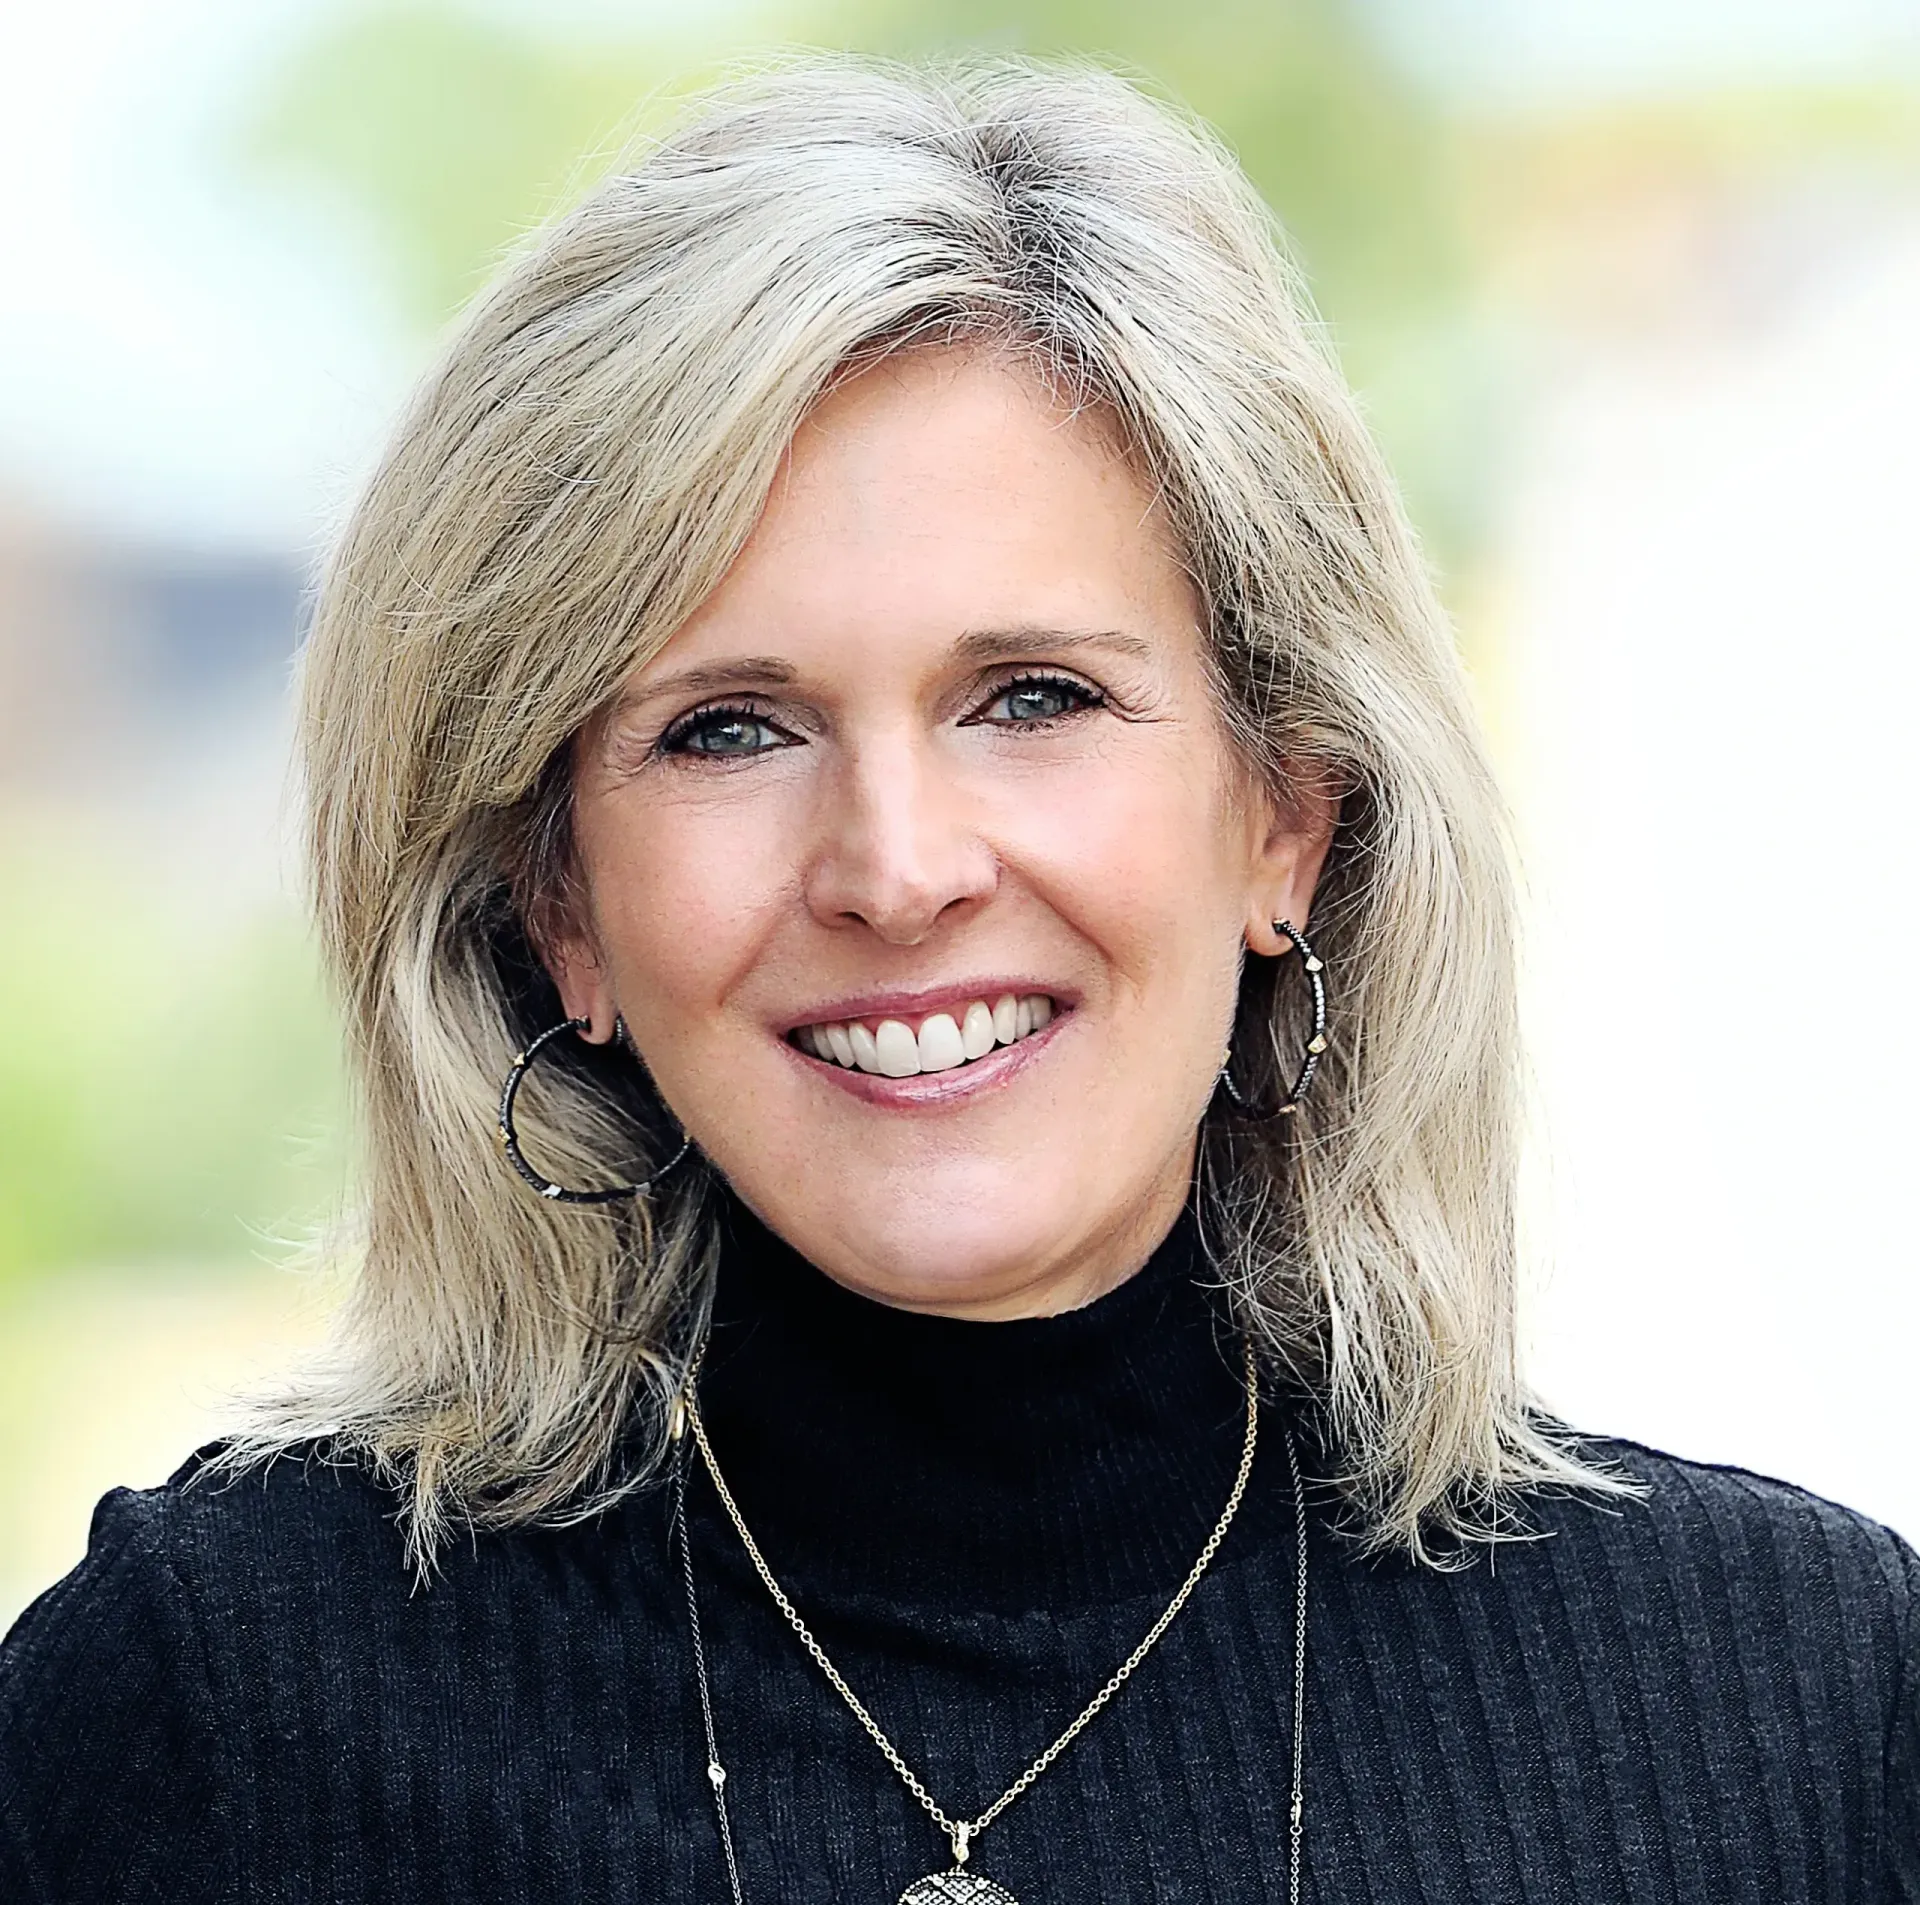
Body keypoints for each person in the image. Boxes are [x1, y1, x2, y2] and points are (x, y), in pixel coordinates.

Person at [2, 54, 1914, 1905]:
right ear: (557, 904)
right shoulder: (210, 1713)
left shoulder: (1796, 1710)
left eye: (1033, 698)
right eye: (730, 730)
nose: (900, 871)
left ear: (1285, 820)